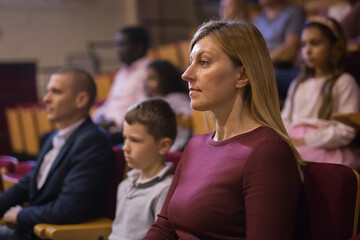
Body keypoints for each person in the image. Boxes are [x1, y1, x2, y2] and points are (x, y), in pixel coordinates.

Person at [144, 20, 304, 239]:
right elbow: (165, 227)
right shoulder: (195, 146)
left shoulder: (267, 152)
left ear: (242, 76)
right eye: (191, 62)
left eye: (204, 62)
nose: (186, 74)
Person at [0, 68, 113, 239]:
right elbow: (28, 184)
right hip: (33, 228)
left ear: (81, 99)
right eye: (48, 91)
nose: (46, 99)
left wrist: (21, 215)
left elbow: (70, 207)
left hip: (52, 234)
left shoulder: (92, 141)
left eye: (56, 92)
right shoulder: (53, 137)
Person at [281, 16, 360, 169]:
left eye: (315, 43)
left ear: (334, 46)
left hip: (325, 146)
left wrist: (306, 140)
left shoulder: (343, 82)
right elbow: (285, 117)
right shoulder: (298, 83)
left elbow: (347, 130)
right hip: (293, 141)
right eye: (304, 45)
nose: (308, 50)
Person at [108, 98, 176, 240]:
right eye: (125, 138)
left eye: (135, 140)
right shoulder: (125, 184)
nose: (125, 147)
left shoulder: (165, 190)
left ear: (163, 146)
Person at [93, 26, 151, 145]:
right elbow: (109, 103)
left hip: (127, 129)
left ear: (139, 47)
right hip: (109, 127)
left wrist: (114, 122)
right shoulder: (121, 73)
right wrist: (99, 117)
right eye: (117, 45)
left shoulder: (149, 70)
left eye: (122, 45)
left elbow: (144, 106)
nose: (117, 50)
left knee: (90, 142)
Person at [252, 0, 305, 102]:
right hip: (264, 68)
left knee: (259, 79)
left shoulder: (293, 12)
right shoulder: (259, 18)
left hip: (287, 69)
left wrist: (261, 62)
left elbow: (290, 51)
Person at [146, 60, 192, 151]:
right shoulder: (155, 99)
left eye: (152, 78)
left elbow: (187, 115)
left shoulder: (176, 98)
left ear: (166, 78)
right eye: (147, 79)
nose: (148, 84)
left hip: (176, 145)